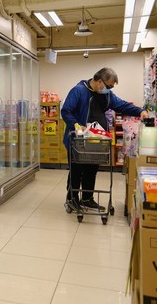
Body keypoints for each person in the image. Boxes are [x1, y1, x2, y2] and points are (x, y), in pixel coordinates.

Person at [61, 67, 148, 210]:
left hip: (96, 140)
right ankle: (72, 199)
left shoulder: (107, 95)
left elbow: (122, 105)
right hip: (78, 140)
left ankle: (87, 198)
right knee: (76, 169)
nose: (110, 89)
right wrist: (76, 125)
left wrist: (140, 111)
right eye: (109, 86)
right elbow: (66, 111)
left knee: (91, 169)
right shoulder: (78, 91)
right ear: (100, 81)